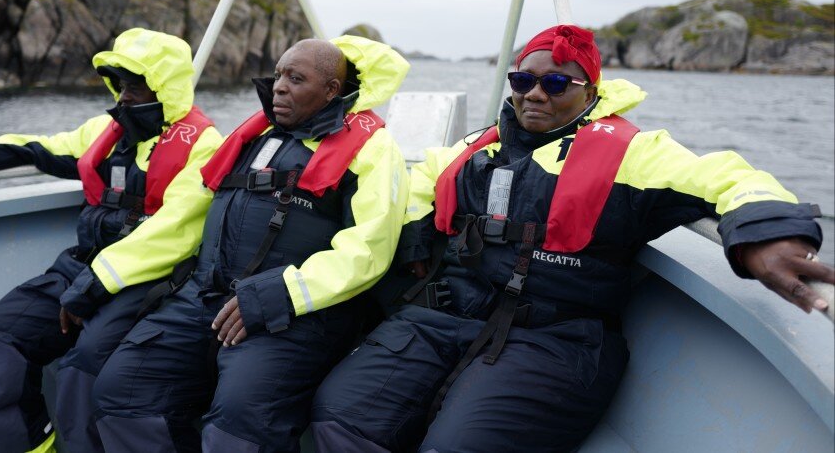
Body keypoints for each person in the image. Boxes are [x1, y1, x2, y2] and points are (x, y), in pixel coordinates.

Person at [310, 24, 835, 453]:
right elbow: (417, 188)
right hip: (449, 316)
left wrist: (763, 237)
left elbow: (731, 178)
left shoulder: (635, 154)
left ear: (590, 91)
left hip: (555, 340)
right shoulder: (475, 150)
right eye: (523, 80)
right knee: (339, 413)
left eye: (557, 83)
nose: (535, 93)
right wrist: (416, 246)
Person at [0, 28, 223, 453]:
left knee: (83, 373)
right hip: (81, 268)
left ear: (165, 86)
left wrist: (91, 287)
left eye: (136, 85)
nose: (125, 96)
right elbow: (34, 148)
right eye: (120, 84)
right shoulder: (103, 131)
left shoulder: (204, 145)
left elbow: (175, 230)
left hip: (152, 281)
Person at [91, 35, 409, 453]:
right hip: (204, 296)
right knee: (121, 392)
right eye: (278, 74)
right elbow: (184, 214)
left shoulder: (372, 148)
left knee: (238, 426)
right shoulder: (253, 136)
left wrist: (281, 292)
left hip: (290, 311)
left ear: (332, 90)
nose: (278, 86)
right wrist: (98, 278)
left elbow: (369, 248)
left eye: (296, 78)